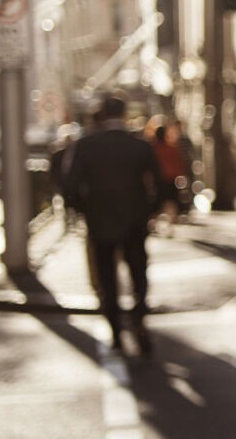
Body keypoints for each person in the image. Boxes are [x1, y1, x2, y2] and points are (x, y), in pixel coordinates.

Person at [65, 95, 163, 354]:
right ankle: (139, 319)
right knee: (138, 273)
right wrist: (150, 209)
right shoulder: (139, 144)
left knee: (107, 278)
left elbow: (69, 186)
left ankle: (116, 331)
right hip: (134, 221)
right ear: (124, 114)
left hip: (100, 221)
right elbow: (160, 182)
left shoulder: (85, 145)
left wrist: (85, 210)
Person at [151, 123, 187, 233]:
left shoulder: (153, 149)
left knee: (157, 203)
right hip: (171, 178)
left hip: (159, 180)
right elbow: (179, 164)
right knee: (171, 203)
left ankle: (155, 224)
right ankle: (170, 225)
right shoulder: (172, 148)